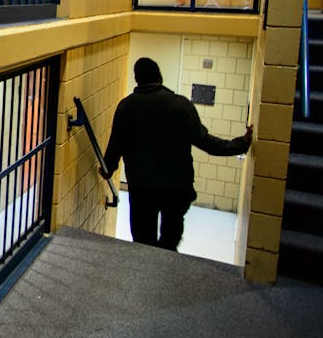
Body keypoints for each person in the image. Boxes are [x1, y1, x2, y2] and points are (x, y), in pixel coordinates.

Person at [101, 57, 253, 251]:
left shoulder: (126, 107)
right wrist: (240, 144)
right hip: (175, 187)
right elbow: (206, 142)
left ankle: (144, 275)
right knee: (169, 241)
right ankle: (167, 273)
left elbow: (116, 145)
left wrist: (108, 168)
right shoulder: (181, 106)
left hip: (142, 187)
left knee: (142, 241)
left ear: (137, 79)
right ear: (160, 77)